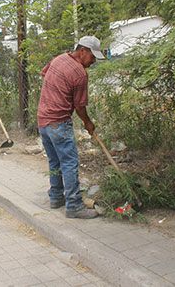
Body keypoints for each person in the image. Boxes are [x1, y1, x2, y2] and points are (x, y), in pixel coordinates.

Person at [37, 36, 105, 219]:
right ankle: (74, 205)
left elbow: (44, 74)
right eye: (92, 57)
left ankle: (56, 197)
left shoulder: (59, 59)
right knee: (69, 163)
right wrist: (88, 123)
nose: (93, 61)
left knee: (54, 161)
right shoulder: (80, 74)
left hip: (43, 120)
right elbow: (80, 106)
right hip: (58, 122)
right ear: (82, 51)